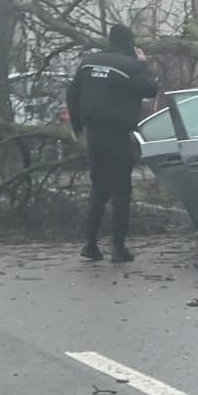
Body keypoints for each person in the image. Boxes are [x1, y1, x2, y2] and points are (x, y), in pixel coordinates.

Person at [66, 24, 160, 262]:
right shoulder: (130, 67)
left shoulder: (89, 62)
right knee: (121, 191)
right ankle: (118, 248)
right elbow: (151, 89)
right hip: (118, 134)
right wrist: (143, 63)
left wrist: (77, 127)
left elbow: (72, 94)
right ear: (129, 42)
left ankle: (90, 244)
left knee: (99, 188)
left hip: (94, 134)